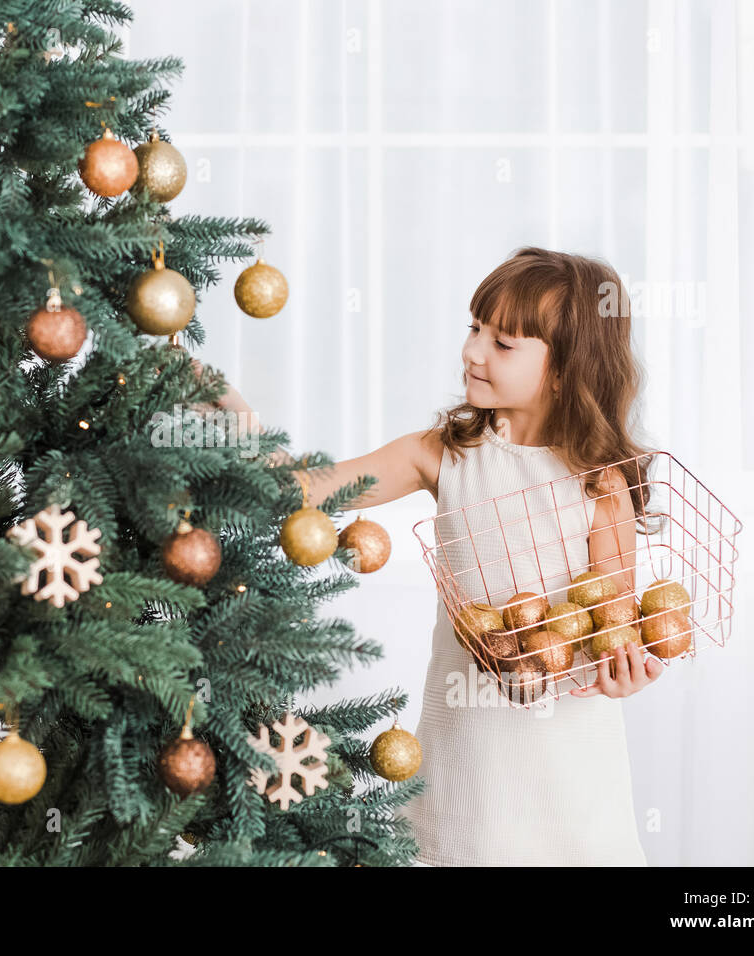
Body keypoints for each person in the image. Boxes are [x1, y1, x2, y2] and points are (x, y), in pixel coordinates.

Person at [205, 247, 658, 865]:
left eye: (504, 343)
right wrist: (232, 415)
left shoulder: (599, 484)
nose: (473, 352)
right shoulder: (444, 453)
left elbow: (612, 621)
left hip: (567, 757)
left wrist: (624, 668)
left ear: (563, 369)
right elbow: (310, 489)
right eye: (475, 328)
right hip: (468, 745)